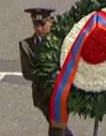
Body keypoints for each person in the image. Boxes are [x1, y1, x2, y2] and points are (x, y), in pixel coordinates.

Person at [19, 8, 73, 136]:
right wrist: (49, 74)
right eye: (35, 25)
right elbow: (27, 73)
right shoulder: (27, 45)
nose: (39, 29)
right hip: (43, 96)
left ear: (51, 22)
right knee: (58, 127)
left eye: (42, 24)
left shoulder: (60, 41)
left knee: (58, 128)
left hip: (62, 94)